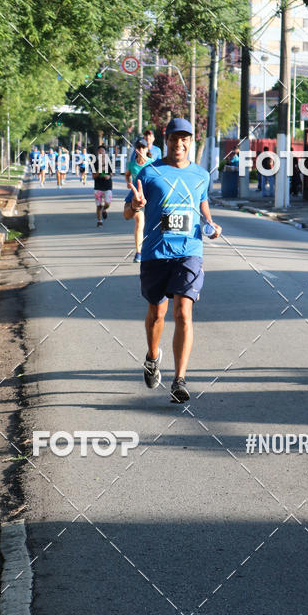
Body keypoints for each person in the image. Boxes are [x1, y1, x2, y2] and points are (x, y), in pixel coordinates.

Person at [123, 117, 221, 403]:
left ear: (191, 141)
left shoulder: (201, 175)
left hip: (189, 251)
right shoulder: (150, 173)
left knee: (183, 312)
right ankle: (153, 357)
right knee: (157, 313)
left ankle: (180, 379)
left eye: (185, 138)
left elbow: (202, 204)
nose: (179, 143)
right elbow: (128, 213)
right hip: (156, 252)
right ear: (165, 140)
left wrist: (211, 225)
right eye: (174, 138)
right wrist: (134, 205)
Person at [125, 137, 153, 262]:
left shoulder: (153, 163)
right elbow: (127, 174)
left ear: (147, 149)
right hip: (137, 197)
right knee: (139, 222)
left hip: (151, 196)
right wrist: (129, 183)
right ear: (136, 150)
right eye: (139, 147)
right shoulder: (132, 164)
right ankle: (138, 252)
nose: (141, 149)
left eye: (143, 147)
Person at [93, 144, 113, 226]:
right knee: (98, 205)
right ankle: (99, 220)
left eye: (103, 151)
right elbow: (93, 176)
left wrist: (109, 176)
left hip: (107, 186)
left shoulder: (109, 162)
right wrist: (100, 170)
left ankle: (104, 210)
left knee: (107, 203)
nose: (101, 152)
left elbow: (112, 173)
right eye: (99, 151)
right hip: (98, 186)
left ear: (105, 153)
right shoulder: (95, 163)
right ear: (98, 153)